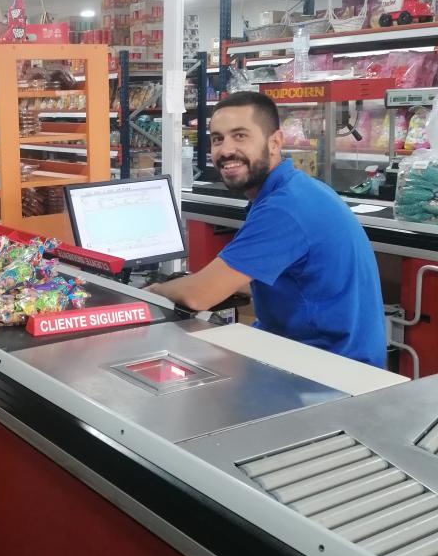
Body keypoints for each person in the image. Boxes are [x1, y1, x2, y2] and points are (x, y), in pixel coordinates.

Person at [147, 90, 386, 368]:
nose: (226, 150)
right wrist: (209, 283)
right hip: (310, 351)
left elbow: (198, 295)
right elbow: (288, 281)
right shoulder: (294, 189)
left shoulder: (284, 208)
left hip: (331, 369)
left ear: (275, 142)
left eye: (240, 136)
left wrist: (154, 291)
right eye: (217, 139)